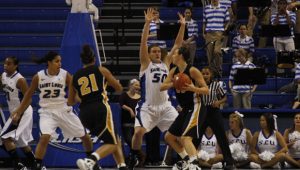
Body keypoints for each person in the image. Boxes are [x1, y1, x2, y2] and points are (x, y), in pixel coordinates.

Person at [11, 51, 94, 170]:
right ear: (49, 63)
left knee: (85, 136)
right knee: (44, 137)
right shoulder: (39, 76)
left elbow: (75, 93)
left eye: (60, 61)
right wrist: (18, 112)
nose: (60, 63)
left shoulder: (65, 74)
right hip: (47, 112)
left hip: (64, 110)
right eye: (57, 61)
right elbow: (28, 95)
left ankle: (92, 161)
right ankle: (37, 165)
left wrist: (84, 102)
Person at [129, 8, 186, 168]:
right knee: (139, 132)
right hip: (147, 107)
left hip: (166, 106)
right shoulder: (145, 64)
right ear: (149, 54)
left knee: (180, 135)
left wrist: (182, 26)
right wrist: (147, 23)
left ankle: (187, 159)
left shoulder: (166, 63)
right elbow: (143, 42)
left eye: (159, 51)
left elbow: (177, 44)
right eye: (154, 51)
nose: (157, 53)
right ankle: (135, 155)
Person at [68, 45, 128, 170]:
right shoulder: (101, 70)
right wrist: (114, 83)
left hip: (84, 113)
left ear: (82, 60)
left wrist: (84, 97)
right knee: (112, 143)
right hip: (100, 108)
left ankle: (122, 166)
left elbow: (70, 102)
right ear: (94, 59)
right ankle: (91, 161)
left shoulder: (75, 77)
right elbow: (119, 88)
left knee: (113, 137)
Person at [160, 46, 209, 170]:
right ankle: (187, 159)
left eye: (175, 53)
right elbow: (162, 87)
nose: (173, 56)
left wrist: (193, 89)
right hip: (185, 109)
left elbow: (206, 90)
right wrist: (175, 82)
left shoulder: (192, 70)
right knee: (169, 137)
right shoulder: (173, 70)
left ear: (181, 56)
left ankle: (195, 164)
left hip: (196, 106)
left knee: (185, 138)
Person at [195, 66, 235, 170]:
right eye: (203, 73)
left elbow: (225, 97)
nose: (205, 75)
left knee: (221, 136)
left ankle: (229, 162)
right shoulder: (197, 85)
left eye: (207, 73)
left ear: (211, 75)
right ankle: (191, 160)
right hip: (202, 112)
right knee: (197, 136)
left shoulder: (216, 85)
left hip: (214, 112)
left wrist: (218, 102)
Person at [0, 56, 36, 170]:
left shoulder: (20, 79)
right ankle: (38, 165)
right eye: (5, 64)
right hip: (15, 112)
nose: (5, 66)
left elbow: (29, 99)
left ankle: (19, 166)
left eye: (9, 64)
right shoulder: (3, 76)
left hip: (23, 111)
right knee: (22, 142)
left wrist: (19, 113)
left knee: (5, 137)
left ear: (15, 66)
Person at [203, 0, 230, 78]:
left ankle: (218, 72)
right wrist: (203, 33)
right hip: (209, 34)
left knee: (217, 52)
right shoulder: (206, 8)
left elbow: (228, 21)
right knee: (210, 55)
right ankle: (212, 74)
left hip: (219, 33)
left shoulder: (224, 8)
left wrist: (224, 31)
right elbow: (205, 22)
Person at [119, 79, 140, 158]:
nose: (138, 87)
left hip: (137, 123)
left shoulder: (140, 96)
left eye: (138, 85)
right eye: (136, 85)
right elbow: (121, 104)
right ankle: (141, 155)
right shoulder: (124, 95)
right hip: (126, 122)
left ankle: (134, 158)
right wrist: (130, 109)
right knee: (129, 140)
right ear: (130, 86)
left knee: (135, 140)